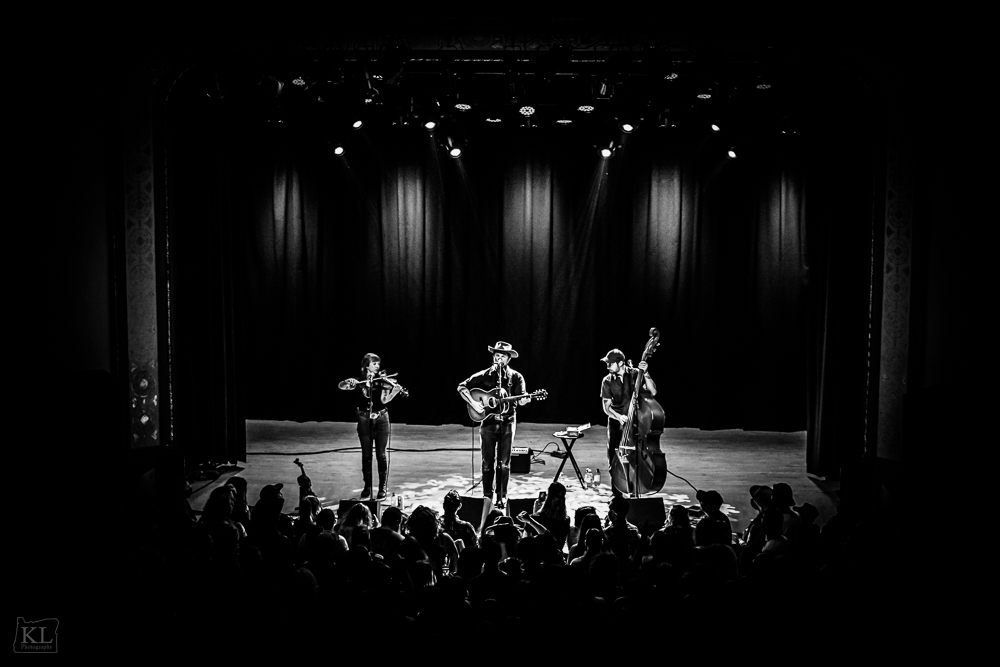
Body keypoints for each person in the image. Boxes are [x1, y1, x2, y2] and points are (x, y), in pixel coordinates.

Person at [457, 341, 533, 510]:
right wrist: (474, 404)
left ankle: (502, 496)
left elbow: (521, 398)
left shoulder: (516, 377)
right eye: (496, 355)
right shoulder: (484, 375)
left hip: (507, 422)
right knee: (487, 462)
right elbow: (461, 387)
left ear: (508, 359)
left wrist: (524, 400)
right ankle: (487, 496)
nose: (499, 358)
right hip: (488, 423)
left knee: (504, 463)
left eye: (502, 356)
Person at [338, 353, 403, 500]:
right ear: (367, 365)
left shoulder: (382, 381)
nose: (377, 366)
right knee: (366, 455)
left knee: (381, 455)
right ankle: (367, 486)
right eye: (374, 364)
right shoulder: (359, 381)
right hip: (364, 419)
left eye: (378, 364)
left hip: (381, 419)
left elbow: (384, 400)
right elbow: (341, 386)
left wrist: (394, 392)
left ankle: (382, 487)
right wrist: (347, 382)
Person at [599, 348, 657, 497]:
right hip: (616, 424)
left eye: (610, 364)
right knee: (614, 459)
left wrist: (646, 373)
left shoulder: (635, 374)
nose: (607, 367)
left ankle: (635, 488)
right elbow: (606, 408)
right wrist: (619, 417)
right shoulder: (607, 381)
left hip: (636, 424)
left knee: (636, 458)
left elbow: (653, 391)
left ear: (620, 363)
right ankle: (616, 494)